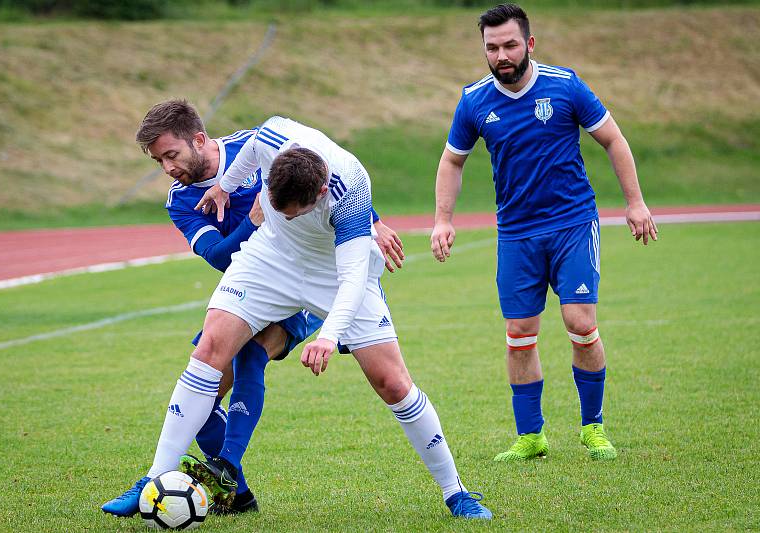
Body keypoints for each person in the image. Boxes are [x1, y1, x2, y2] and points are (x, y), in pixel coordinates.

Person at [116, 114, 492, 520]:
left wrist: (328, 337)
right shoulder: (274, 136)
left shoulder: (351, 191)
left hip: (333, 271)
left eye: (294, 212)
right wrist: (225, 187)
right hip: (270, 258)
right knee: (209, 349)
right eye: (280, 208)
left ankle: (456, 492)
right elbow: (249, 151)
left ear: (322, 192)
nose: (289, 215)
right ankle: (154, 477)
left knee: (393, 383)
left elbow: (350, 282)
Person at [430, 3, 657, 462]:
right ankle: (531, 436)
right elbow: (453, 160)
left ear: (529, 44)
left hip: (573, 222)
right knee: (519, 330)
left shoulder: (565, 85)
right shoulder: (474, 100)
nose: (501, 55)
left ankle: (592, 428)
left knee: (581, 323)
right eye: (492, 48)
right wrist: (442, 219)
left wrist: (635, 203)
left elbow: (613, 139)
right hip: (516, 232)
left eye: (510, 44)